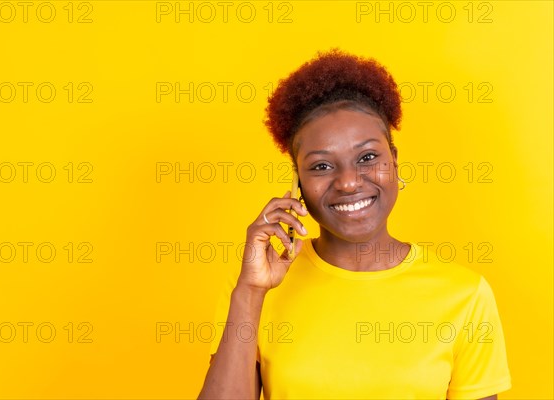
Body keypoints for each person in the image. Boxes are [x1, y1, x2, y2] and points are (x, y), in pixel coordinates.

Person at [197, 49, 511, 399]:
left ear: (394, 161)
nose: (348, 182)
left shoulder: (465, 295)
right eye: (321, 166)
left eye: (367, 157)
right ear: (297, 183)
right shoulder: (255, 287)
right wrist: (251, 292)